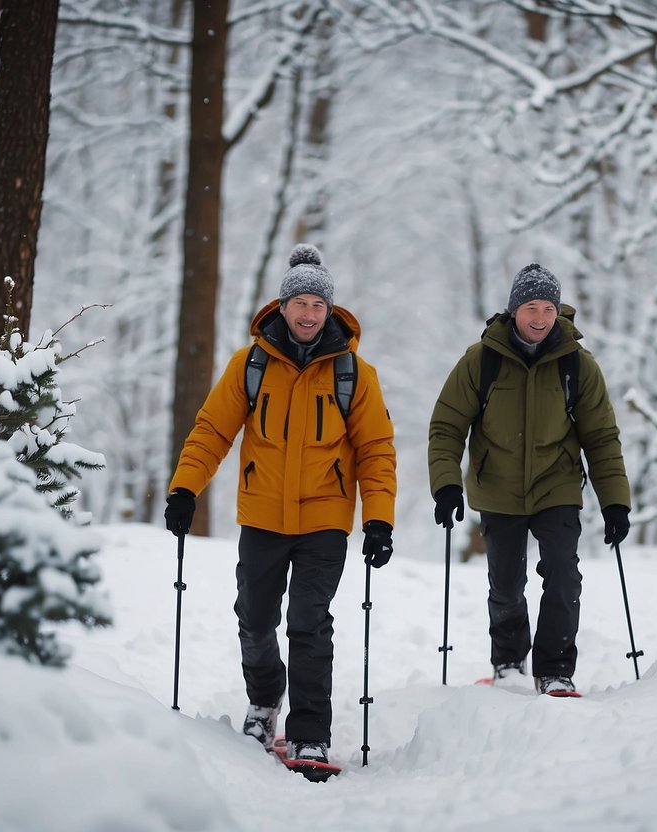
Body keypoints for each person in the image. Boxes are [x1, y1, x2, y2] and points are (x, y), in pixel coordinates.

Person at [164, 244, 396, 767]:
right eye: (300, 304)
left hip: (325, 520)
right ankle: (265, 699)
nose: (308, 314)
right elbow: (212, 430)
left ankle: (310, 733)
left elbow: (376, 450)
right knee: (254, 618)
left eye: (318, 304)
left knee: (309, 623)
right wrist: (185, 488)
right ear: (283, 307)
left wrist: (378, 519)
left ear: (328, 311)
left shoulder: (354, 374)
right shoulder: (249, 366)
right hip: (263, 516)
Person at [427, 263, 631, 696]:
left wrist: (615, 501)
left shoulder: (577, 365)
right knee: (506, 585)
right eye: (531, 308)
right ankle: (508, 660)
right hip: (497, 487)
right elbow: (447, 425)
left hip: (556, 485)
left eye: (548, 309)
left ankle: (555, 668)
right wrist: (446, 484)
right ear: (514, 310)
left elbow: (601, 437)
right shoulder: (481, 361)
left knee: (562, 574)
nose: (540, 318)